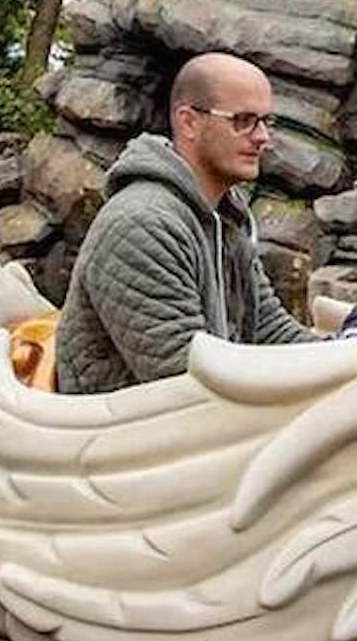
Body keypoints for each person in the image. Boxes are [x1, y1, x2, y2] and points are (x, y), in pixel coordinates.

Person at [57, 52, 321, 393]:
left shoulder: (225, 217)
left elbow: (269, 331)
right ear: (188, 122)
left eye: (265, 121)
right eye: (243, 120)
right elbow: (185, 380)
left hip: (193, 427)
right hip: (128, 437)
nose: (262, 137)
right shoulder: (142, 225)